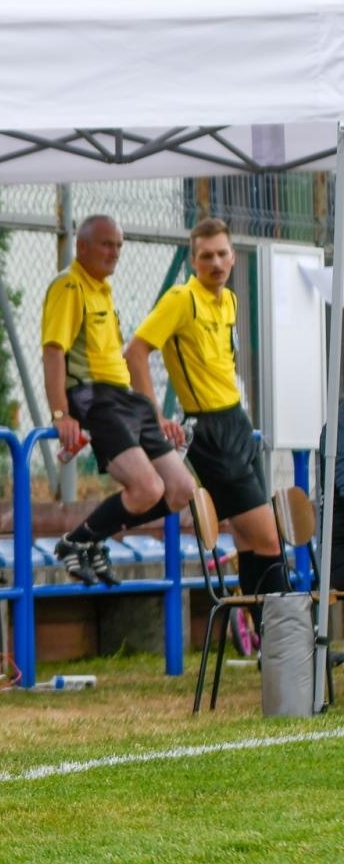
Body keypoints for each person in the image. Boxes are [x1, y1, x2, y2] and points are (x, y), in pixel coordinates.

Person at [125, 217, 285, 608]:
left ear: (233, 257)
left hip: (238, 422)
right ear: (194, 261)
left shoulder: (228, 300)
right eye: (206, 256)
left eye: (222, 254)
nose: (215, 262)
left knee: (250, 540)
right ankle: (290, 641)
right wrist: (153, 416)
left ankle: (270, 652)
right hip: (209, 430)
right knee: (270, 539)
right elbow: (136, 351)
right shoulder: (182, 299)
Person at [42, 214, 196, 585]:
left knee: (181, 490)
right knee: (147, 488)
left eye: (119, 245)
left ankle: (91, 539)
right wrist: (60, 411)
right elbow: (53, 350)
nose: (115, 253)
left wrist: (155, 414)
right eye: (106, 244)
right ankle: (77, 542)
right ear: (81, 247)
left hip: (126, 399)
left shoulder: (103, 289)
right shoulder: (70, 286)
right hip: (96, 399)